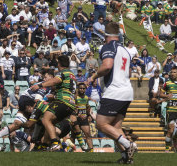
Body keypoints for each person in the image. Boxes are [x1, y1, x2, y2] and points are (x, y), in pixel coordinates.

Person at [87, 22, 136, 164]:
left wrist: (94, 76)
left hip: (115, 91)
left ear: (105, 35)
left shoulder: (107, 47)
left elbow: (107, 66)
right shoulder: (125, 50)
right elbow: (129, 72)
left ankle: (128, 145)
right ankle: (126, 157)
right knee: (115, 127)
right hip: (127, 92)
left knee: (101, 124)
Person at [31, 54, 76, 150]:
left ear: (59, 64)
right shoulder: (72, 75)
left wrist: (40, 85)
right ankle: (44, 145)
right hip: (70, 105)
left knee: (45, 119)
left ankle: (55, 143)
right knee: (50, 124)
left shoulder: (63, 73)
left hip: (63, 102)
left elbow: (55, 80)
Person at [74, 82, 94, 151]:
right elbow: (73, 107)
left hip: (84, 118)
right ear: (78, 89)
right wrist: (78, 115)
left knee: (88, 134)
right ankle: (71, 151)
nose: (82, 90)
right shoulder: (75, 97)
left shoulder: (86, 98)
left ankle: (91, 150)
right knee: (73, 136)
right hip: (76, 118)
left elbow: (87, 107)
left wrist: (89, 115)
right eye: (80, 88)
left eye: (83, 88)